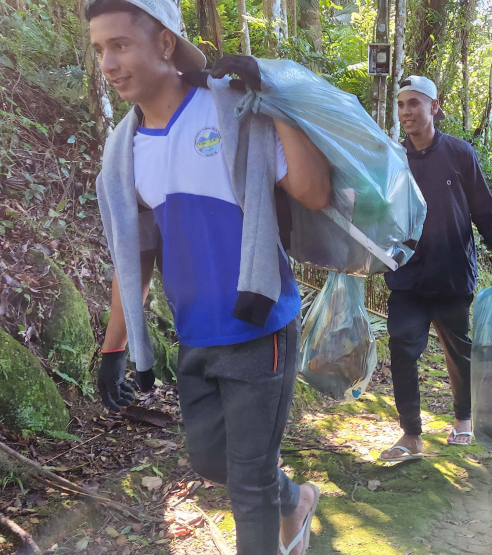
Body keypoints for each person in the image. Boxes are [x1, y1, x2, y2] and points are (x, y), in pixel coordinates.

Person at [87, 1, 330, 552]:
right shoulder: (123, 151)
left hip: (259, 323)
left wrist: (275, 102)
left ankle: (279, 513)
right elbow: (136, 256)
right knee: (210, 459)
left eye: (120, 44)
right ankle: (296, 501)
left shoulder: (230, 110)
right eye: (100, 49)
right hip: (194, 332)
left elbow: (314, 193)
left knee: (247, 486)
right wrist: (114, 349)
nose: (108, 62)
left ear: (166, 44)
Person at [379, 76, 492, 462]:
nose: (406, 112)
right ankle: (411, 434)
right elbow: (378, 212)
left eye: (414, 104)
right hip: (406, 273)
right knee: (402, 348)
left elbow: (484, 210)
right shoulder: (394, 159)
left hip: (452, 272)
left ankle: (462, 418)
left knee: (459, 351)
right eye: (402, 105)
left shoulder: (460, 154)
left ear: (434, 108)